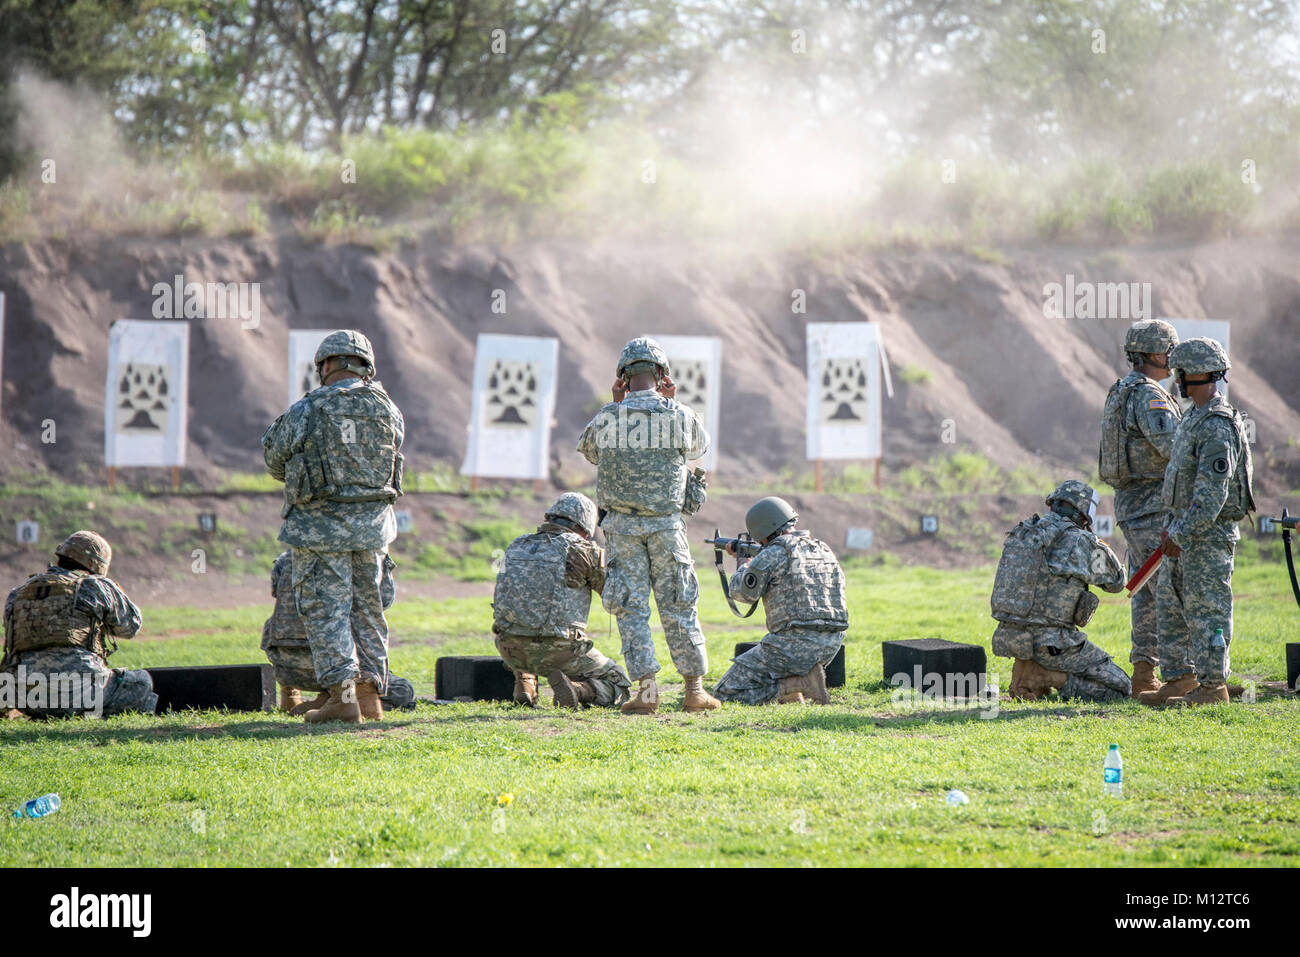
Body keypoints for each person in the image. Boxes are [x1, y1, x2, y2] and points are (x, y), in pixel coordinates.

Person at [262, 329, 405, 724]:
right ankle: (370, 696)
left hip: (319, 530)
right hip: (374, 530)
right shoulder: (389, 409)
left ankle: (343, 699)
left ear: (325, 366)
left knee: (327, 611)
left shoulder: (307, 409)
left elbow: (273, 457)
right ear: (366, 366)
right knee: (368, 609)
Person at [576, 337, 720, 714]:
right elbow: (700, 448)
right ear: (661, 374)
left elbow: (590, 452)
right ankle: (694, 692)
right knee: (679, 605)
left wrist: (617, 405)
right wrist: (671, 401)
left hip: (622, 529)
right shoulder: (679, 415)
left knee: (631, 608)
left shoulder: (607, 417)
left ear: (623, 377)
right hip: (666, 528)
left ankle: (647, 693)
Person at [1142, 337, 1254, 707]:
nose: (1176, 379)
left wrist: (1183, 533)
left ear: (1196, 375)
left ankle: (1213, 687)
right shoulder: (1194, 417)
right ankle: (1180, 680)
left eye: (1181, 373)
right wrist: (1173, 526)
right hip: (1181, 531)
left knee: (1208, 611)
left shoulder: (1217, 426)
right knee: (1172, 608)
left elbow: (1211, 496)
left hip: (1205, 535)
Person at [990, 481, 1132, 702]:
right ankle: (1045, 677)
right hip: (1052, 642)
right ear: (1085, 515)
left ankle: (1026, 670)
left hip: (1011, 636)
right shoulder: (1079, 539)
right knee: (1122, 689)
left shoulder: (1024, 532)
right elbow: (1116, 582)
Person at [1099, 319, 1182, 697]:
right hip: (1154, 507)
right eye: (1169, 351)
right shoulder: (1150, 396)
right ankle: (1184, 677)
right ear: (1154, 353)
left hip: (1134, 507)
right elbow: (1173, 448)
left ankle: (1144, 675)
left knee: (1147, 592)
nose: (1173, 358)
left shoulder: (1122, 390)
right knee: (1171, 590)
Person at [492, 492, 632, 709]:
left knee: (525, 618)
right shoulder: (582, 550)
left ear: (549, 518)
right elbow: (616, 599)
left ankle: (525, 684)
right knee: (618, 681)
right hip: (559, 651)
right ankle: (577, 690)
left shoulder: (516, 545)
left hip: (510, 649)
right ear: (586, 529)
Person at [2, 531, 156, 718]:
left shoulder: (18, 593)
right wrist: (113, 590)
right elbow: (131, 627)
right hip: (80, 691)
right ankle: (92, 713)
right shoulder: (94, 585)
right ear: (96, 565)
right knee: (141, 682)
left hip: (27, 698)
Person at [712, 497, 848, 705]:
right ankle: (796, 687)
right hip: (831, 644)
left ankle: (797, 685)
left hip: (792, 645)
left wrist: (742, 563)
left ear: (760, 530)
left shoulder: (774, 553)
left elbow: (742, 594)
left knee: (725, 694)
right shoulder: (822, 549)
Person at [261, 551, 415, 715]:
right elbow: (383, 600)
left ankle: (289, 696)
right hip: (337, 673)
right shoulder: (363, 557)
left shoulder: (286, 559)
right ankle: (333, 699)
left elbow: (280, 600)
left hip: (287, 670)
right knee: (402, 690)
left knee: (287, 621)